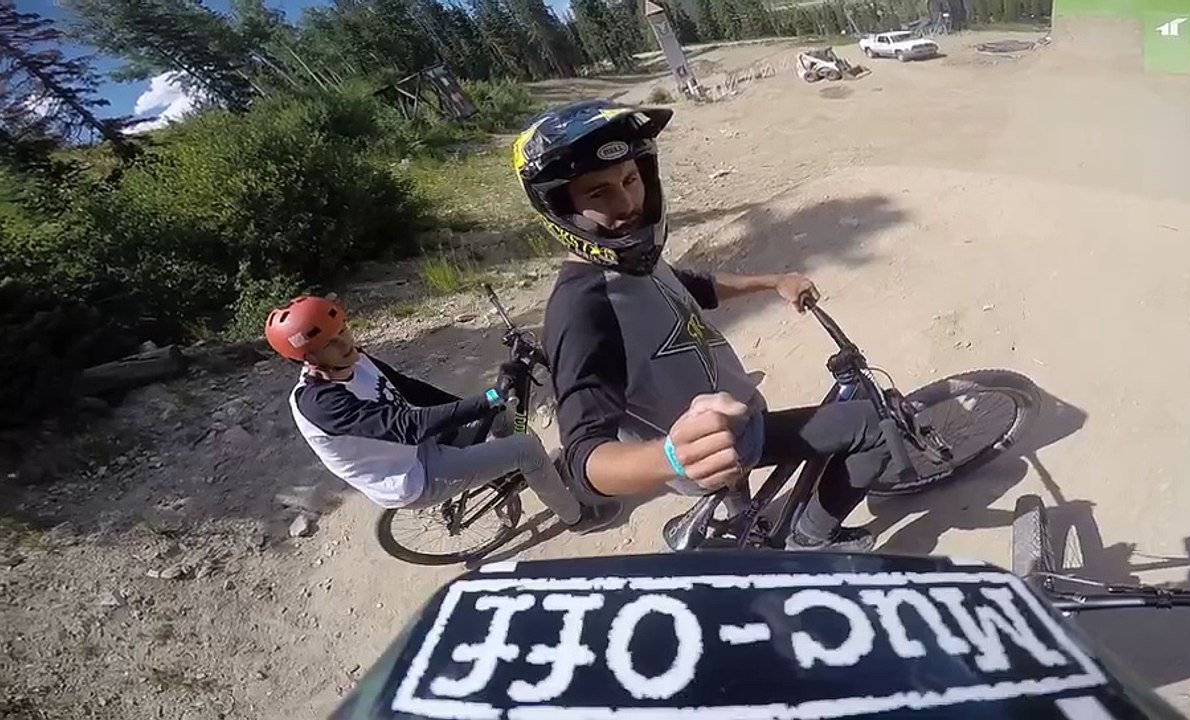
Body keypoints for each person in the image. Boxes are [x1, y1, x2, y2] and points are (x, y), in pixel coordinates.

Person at [513, 100, 893, 551]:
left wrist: (775, 281)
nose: (628, 204)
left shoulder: (632, 260)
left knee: (740, 488)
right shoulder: (581, 307)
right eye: (599, 193)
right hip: (713, 442)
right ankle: (811, 538)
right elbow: (583, 458)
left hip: (733, 419)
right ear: (562, 208)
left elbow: (699, 287)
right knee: (873, 427)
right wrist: (672, 458)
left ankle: (743, 523)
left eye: (631, 180)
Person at [264, 295, 614, 530]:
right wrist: (487, 398)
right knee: (527, 450)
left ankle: (518, 477)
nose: (346, 343)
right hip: (411, 476)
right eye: (330, 343)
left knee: (502, 417)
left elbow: (410, 389)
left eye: (343, 330)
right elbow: (407, 427)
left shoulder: (354, 359)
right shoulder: (321, 403)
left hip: (414, 447)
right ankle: (576, 517)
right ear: (308, 358)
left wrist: (482, 409)